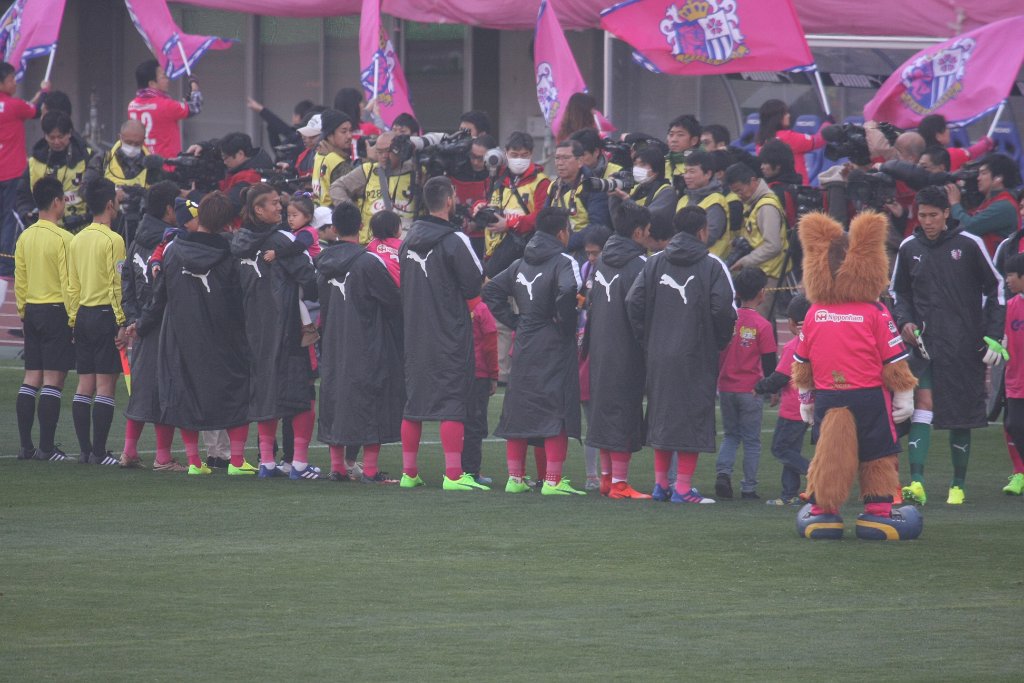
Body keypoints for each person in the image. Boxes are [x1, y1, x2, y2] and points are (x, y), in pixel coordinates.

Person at [891, 186, 1005, 505]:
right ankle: (917, 482)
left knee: (960, 414)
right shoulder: (909, 247)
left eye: (933, 215)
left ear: (946, 214)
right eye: (922, 215)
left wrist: (994, 335)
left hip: (963, 345)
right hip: (924, 346)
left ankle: (958, 484)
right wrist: (905, 322)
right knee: (922, 404)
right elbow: (899, 293)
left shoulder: (969, 244)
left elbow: (996, 289)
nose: (927, 221)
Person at [136, 191, 252, 475]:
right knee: (236, 392)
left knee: (183, 393)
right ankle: (237, 462)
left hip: (180, 334)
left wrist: (140, 326)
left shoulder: (173, 250)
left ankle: (194, 462)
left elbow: (159, 296)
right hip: (223, 334)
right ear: (225, 222)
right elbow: (239, 297)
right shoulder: (231, 253)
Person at [627, 206, 736, 503]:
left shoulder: (654, 262)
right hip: (695, 351)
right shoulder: (712, 264)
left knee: (662, 414)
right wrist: (719, 340)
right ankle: (683, 488)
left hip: (658, 352)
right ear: (702, 231)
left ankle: (661, 485)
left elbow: (634, 301)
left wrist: (647, 338)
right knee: (692, 416)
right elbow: (724, 309)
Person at [483, 207, 584, 495]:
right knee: (556, 407)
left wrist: (517, 321)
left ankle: (515, 479)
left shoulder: (520, 263)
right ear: (562, 233)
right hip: (553, 341)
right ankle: (552, 481)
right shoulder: (564, 261)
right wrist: (564, 323)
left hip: (525, 340)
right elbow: (568, 290)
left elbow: (490, 291)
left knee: (520, 407)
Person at [398, 176, 485, 490]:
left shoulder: (407, 239)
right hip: (448, 331)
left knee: (414, 404)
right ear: (449, 201)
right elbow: (474, 281)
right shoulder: (455, 239)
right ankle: (453, 475)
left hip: (414, 331)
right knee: (452, 401)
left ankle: (409, 474)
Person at [231, 184, 320, 480]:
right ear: (258, 209)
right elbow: (309, 278)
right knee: (302, 394)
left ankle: (267, 462)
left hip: (253, 330)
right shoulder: (282, 239)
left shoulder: (238, 242)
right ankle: (299, 464)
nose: (279, 207)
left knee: (264, 392)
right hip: (289, 329)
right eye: (273, 203)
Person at [316, 202, 403, 483]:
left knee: (334, 397)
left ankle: (338, 468)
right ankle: (371, 470)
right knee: (372, 398)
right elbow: (393, 301)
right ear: (362, 226)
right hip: (367, 340)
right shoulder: (369, 262)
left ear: (334, 228)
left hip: (333, 340)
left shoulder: (322, 263)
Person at [584, 201, 652, 499]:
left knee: (604, 410)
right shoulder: (640, 265)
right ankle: (620, 484)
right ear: (638, 232)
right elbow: (640, 309)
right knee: (624, 411)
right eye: (647, 231)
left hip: (599, 345)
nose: (649, 236)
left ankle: (607, 478)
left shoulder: (602, 261)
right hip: (625, 348)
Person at [118, 181, 184, 470]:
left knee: (142, 387)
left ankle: (129, 451)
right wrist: (145, 321)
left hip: (141, 326)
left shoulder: (136, 239)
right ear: (169, 209)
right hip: (163, 323)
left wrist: (134, 321)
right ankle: (163, 457)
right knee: (165, 389)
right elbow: (163, 291)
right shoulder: (171, 242)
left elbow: (127, 284)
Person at [67, 178, 126, 466]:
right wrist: (121, 321)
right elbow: (116, 284)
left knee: (84, 384)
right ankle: (100, 453)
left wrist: (73, 319)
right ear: (109, 204)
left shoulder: (77, 239)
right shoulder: (113, 240)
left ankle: (85, 451)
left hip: (82, 315)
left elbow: (72, 285)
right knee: (105, 386)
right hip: (105, 316)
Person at [13, 177, 71, 461]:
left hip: (32, 311)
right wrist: (73, 317)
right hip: (56, 311)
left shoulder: (25, 236)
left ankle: (26, 447)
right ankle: (47, 449)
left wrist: (23, 311)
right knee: (53, 379)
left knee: (31, 378)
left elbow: (20, 279)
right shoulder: (64, 239)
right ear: (57, 201)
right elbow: (69, 283)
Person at [713, 267, 776, 501]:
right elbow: (769, 363)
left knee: (731, 435)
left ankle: (723, 474)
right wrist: (772, 389)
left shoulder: (728, 321)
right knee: (751, 440)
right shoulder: (763, 325)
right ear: (761, 293)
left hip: (726, 388)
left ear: (737, 293)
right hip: (751, 390)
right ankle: (748, 487)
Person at [755, 294, 812, 506]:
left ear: (791, 323)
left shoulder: (793, 346)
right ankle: (789, 494)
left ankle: (815, 473)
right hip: (808, 406)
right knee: (791, 451)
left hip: (793, 409)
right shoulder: (816, 343)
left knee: (780, 449)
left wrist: (758, 387)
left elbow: (779, 378)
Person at [0, 61, 48, 278]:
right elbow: (35, 111)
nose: (15, 83)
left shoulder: (14, 105)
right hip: (12, 172)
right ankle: (5, 263)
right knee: (10, 218)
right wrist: (44, 91)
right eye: (12, 79)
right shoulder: (14, 106)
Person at [725, 163, 787, 319]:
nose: (739, 195)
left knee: (758, 322)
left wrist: (745, 261)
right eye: (735, 192)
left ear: (753, 181)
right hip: (760, 272)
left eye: (740, 190)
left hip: (769, 274)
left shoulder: (767, 207)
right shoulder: (755, 203)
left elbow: (773, 246)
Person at [330, 132, 419, 239]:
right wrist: (352, 213)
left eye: (388, 151)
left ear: (399, 149)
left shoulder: (416, 172)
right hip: (370, 242)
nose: (384, 156)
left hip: (405, 241)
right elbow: (336, 187)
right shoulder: (368, 170)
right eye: (379, 152)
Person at [16, 111, 93, 230]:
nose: (56, 142)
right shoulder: (34, 162)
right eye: (52, 137)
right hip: (43, 230)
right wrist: (26, 213)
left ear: (69, 133)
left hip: (79, 229)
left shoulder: (87, 158)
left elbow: (99, 194)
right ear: (45, 135)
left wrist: (87, 217)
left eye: (60, 137)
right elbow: (22, 195)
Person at [578, 225, 612, 490]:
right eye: (588, 253)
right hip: (587, 350)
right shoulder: (586, 270)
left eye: (595, 253)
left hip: (605, 349)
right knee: (593, 421)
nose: (591, 258)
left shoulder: (614, 272)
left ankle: (610, 476)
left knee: (606, 420)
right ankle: (593, 475)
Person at [947, 153, 1020, 257]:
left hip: (996, 265)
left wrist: (955, 204)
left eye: (983, 173)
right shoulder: (991, 200)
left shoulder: (1004, 206)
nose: (978, 178)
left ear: (998, 178)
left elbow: (968, 228)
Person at [545, 139, 611, 254]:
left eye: (565, 158)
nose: (560, 163)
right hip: (554, 247)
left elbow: (597, 226)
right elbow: (544, 220)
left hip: (583, 250)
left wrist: (565, 244)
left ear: (580, 161)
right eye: (557, 158)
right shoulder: (554, 186)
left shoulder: (592, 186)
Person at [128, 59, 202, 159]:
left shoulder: (132, 106)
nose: (167, 79)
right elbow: (195, 107)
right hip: (167, 163)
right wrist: (194, 86)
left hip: (143, 163)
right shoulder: (165, 105)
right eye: (163, 76)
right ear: (152, 84)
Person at [464, 293, 499, 485]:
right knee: (475, 423)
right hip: (478, 374)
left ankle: (454, 469)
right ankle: (471, 471)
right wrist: (494, 375)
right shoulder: (481, 309)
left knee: (456, 421)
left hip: (455, 373)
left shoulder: (452, 305)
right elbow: (490, 344)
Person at [609, 146, 676, 242]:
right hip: (628, 242)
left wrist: (627, 200)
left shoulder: (666, 192)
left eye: (643, 164)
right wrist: (615, 195)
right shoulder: (636, 189)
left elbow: (647, 221)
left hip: (650, 245)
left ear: (656, 169)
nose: (637, 168)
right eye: (635, 164)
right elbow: (618, 223)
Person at [756, 99, 827, 185]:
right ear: (777, 117)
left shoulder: (760, 140)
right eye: (785, 113)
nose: (788, 115)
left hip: (772, 187)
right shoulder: (787, 137)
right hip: (796, 188)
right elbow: (817, 141)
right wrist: (827, 123)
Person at [1000, 253, 1024, 495]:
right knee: (1013, 425)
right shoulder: (1009, 307)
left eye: (1010, 275)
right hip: (1016, 380)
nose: (1007, 280)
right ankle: (1019, 472)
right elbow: (999, 338)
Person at [676, 150, 728, 258]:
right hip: (683, 258)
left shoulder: (715, 201)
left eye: (692, 172)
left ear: (708, 174)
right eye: (685, 172)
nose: (687, 176)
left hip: (708, 261)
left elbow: (709, 237)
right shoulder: (683, 199)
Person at [309, 109, 354, 208]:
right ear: (329, 135)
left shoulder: (318, 155)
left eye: (350, 131)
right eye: (344, 131)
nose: (349, 136)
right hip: (334, 213)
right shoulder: (337, 162)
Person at [918, 113, 994, 172]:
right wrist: (986, 142)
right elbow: (971, 152)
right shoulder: (950, 155)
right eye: (946, 128)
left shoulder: (917, 158)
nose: (948, 131)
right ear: (938, 136)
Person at [246, 97, 314, 149]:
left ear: (297, 117)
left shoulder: (300, 137)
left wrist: (261, 110)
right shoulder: (307, 137)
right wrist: (271, 125)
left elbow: (286, 130)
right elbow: (278, 150)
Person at [665, 114, 701, 191]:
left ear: (694, 140)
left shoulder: (700, 163)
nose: (673, 139)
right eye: (671, 135)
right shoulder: (665, 162)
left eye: (680, 135)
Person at [366, 209, 401, 286]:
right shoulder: (402, 244)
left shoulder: (371, 245)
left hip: (378, 284)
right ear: (395, 228)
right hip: (400, 285)